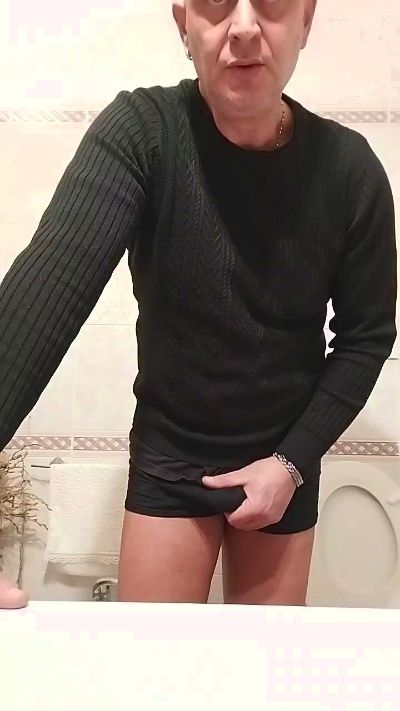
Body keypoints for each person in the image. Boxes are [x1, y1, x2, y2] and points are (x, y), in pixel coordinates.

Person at [0, 0, 397, 608]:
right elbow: (42, 298)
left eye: (271, 2)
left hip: (283, 455)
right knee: (152, 657)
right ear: (183, 22)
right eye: (215, 2)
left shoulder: (350, 171)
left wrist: (292, 462)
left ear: (306, 20)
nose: (244, 26)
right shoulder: (143, 133)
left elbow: (366, 338)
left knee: (264, 662)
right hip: (171, 453)